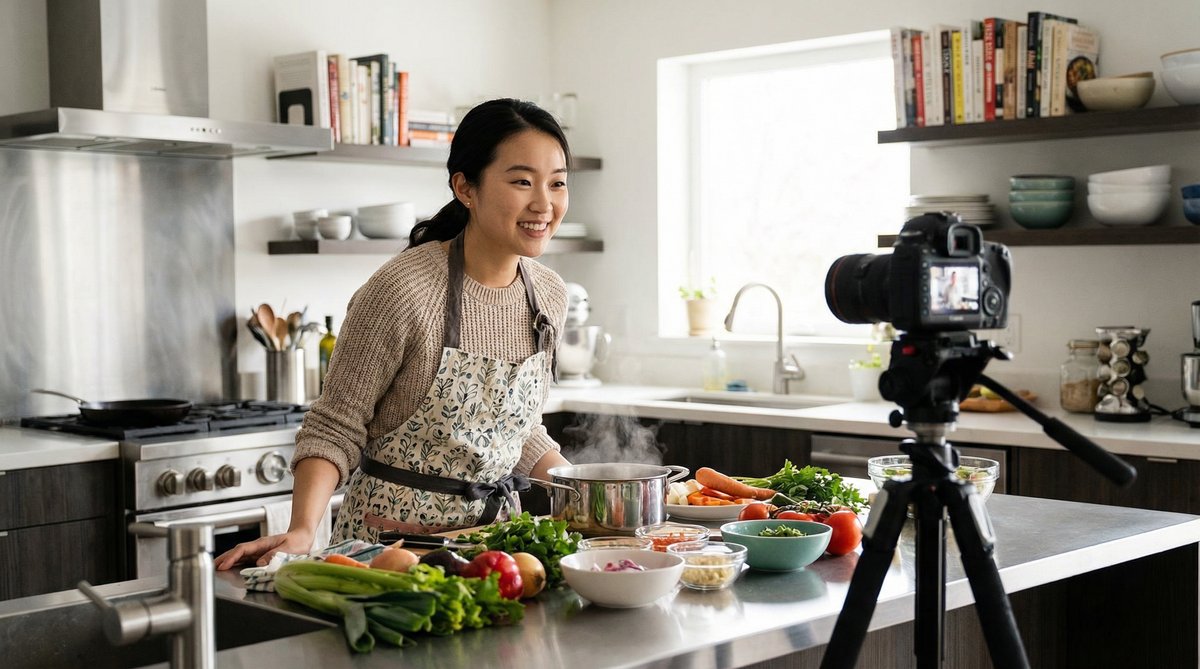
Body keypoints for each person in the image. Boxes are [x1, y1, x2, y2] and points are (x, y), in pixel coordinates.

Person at [216, 98, 573, 569]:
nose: (544, 204)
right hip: (391, 554)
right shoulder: (403, 291)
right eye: (522, 181)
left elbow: (515, 430)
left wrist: (585, 486)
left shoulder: (548, 295)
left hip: (497, 555)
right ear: (465, 188)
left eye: (558, 183)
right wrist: (303, 529)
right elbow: (335, 425)